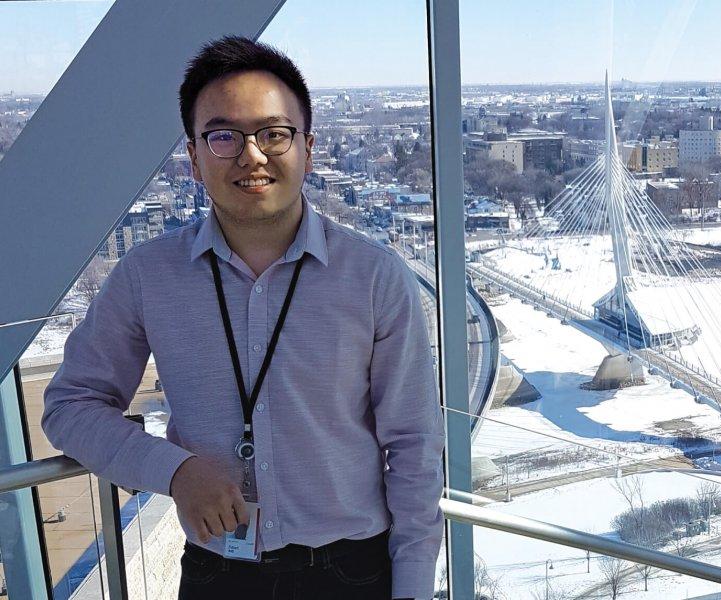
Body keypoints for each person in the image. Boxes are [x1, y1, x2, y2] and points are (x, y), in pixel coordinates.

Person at [42, 35, 444, 600]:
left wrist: (414, 589)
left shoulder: (374, 278)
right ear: (194, 155)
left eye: (273, 133)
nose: (251, 155)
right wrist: (174, 471)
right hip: (218, 572)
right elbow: (70, 406)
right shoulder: (147, 276)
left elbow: (414, 448)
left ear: (307, 146)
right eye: (224, 135)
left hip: (354, 572)